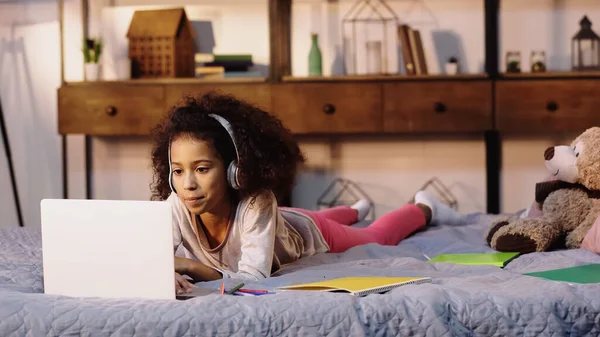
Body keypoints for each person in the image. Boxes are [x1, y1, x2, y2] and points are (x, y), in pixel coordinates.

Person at [149, 92, 462, 294]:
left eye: (202, 169)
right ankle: (352, 210)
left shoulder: (258, 202)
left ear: (235, 169)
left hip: (308, 232)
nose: (187, 183)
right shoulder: (178, 203)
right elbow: (152, 257)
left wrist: (190, 267)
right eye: (178, 171)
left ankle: (424, 208)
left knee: (376, 236)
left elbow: (255, 278)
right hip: (281, 223)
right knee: (298, 218)